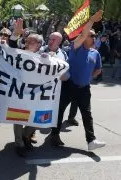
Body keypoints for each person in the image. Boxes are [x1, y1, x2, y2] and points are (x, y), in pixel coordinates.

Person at [50, 10, 106, 150]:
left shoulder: (95, 53)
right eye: (91, 35)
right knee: (60, 110)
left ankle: (91, 141)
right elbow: (83, 34)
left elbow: (98, 69)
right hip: (69, 85)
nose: (93, 37)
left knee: (87, 114)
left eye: (94, 36)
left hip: (84, 88)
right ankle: (55, 134)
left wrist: (88, 77)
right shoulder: (76, 48)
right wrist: (92, 21)